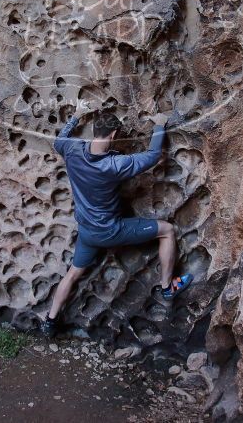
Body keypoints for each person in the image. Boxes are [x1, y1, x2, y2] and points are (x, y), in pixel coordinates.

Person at [40, 110, 193, 337]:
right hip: (112, 230)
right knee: (167, 230)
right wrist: (159, 125)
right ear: (113, 135)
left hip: (87, 233)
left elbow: (58, 141)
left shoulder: (71, 149)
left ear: (95, 131)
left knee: (72, 274)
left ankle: (50, 322)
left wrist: (75, 118)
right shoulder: (114, 164)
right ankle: (167, 287)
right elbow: (152, 156)